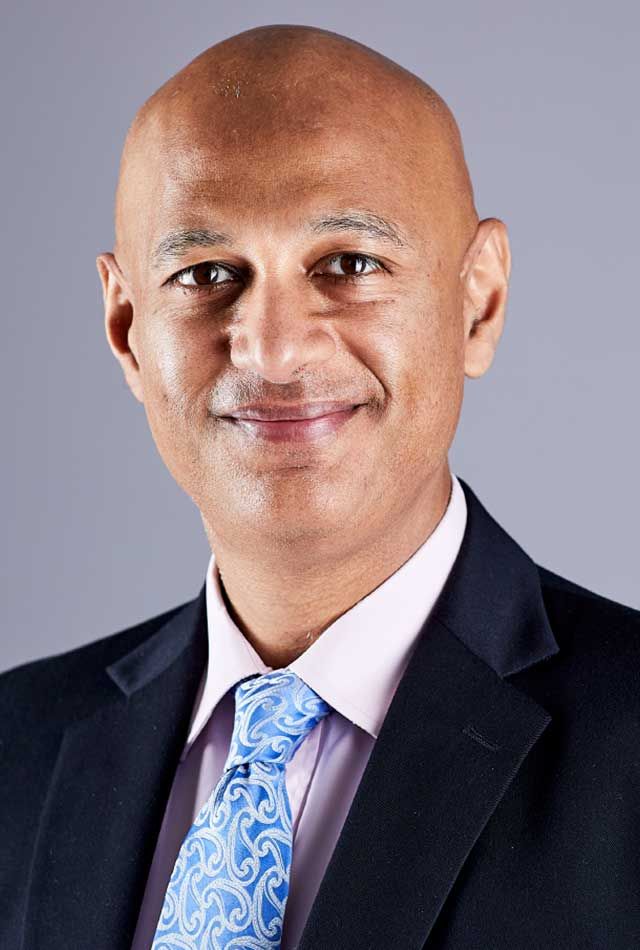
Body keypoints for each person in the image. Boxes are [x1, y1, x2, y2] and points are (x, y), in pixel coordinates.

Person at [1, 22, 638, 950]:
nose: (271, 345)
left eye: (348, 265)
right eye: (208, 273)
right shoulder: (17, 747)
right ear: (127, 328)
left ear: (479, 303)